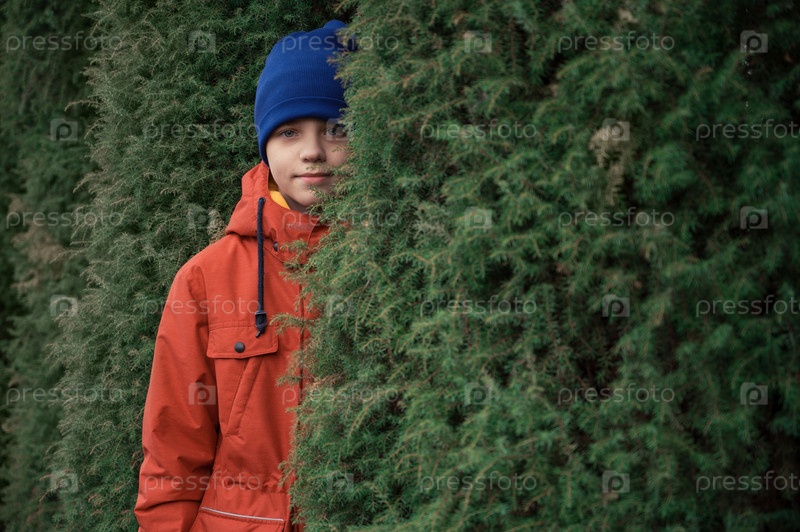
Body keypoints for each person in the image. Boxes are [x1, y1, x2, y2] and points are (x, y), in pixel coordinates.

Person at [135, 20, 352, 531]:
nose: (313, 150)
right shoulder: (204, 279)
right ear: (264, 144)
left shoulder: (397, 265)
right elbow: (173, 451)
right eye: (289, 131)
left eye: (336, 129)